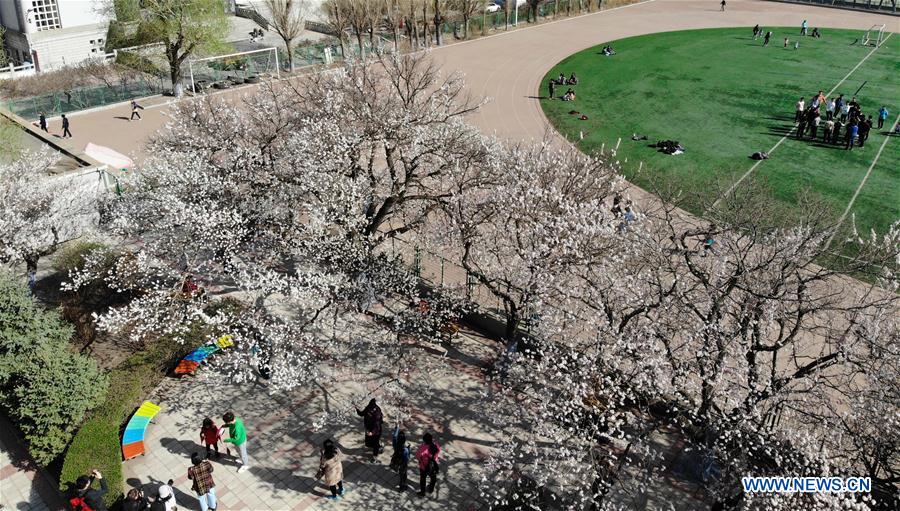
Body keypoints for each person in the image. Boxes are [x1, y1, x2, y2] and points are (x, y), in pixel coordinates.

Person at [390, 423, 411, 492]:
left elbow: (394, 437)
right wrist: (409, 449)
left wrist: (397, 428)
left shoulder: (395, 445)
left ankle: (402, 483)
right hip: (403, 464)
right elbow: (407, 459)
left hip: (397, 460)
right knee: (403, 475)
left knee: (401, 473)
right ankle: (402, 487)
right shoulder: (405, 450)